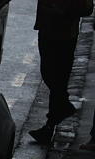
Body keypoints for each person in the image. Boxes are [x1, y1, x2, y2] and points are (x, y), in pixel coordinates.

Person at [29, 0, 94, 144]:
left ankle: (50, 125)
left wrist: (62, 9)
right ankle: (61, 108)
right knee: (50, 75)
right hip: (49, 27)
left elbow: (86, 7)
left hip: (65, 32)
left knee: (57, 79)